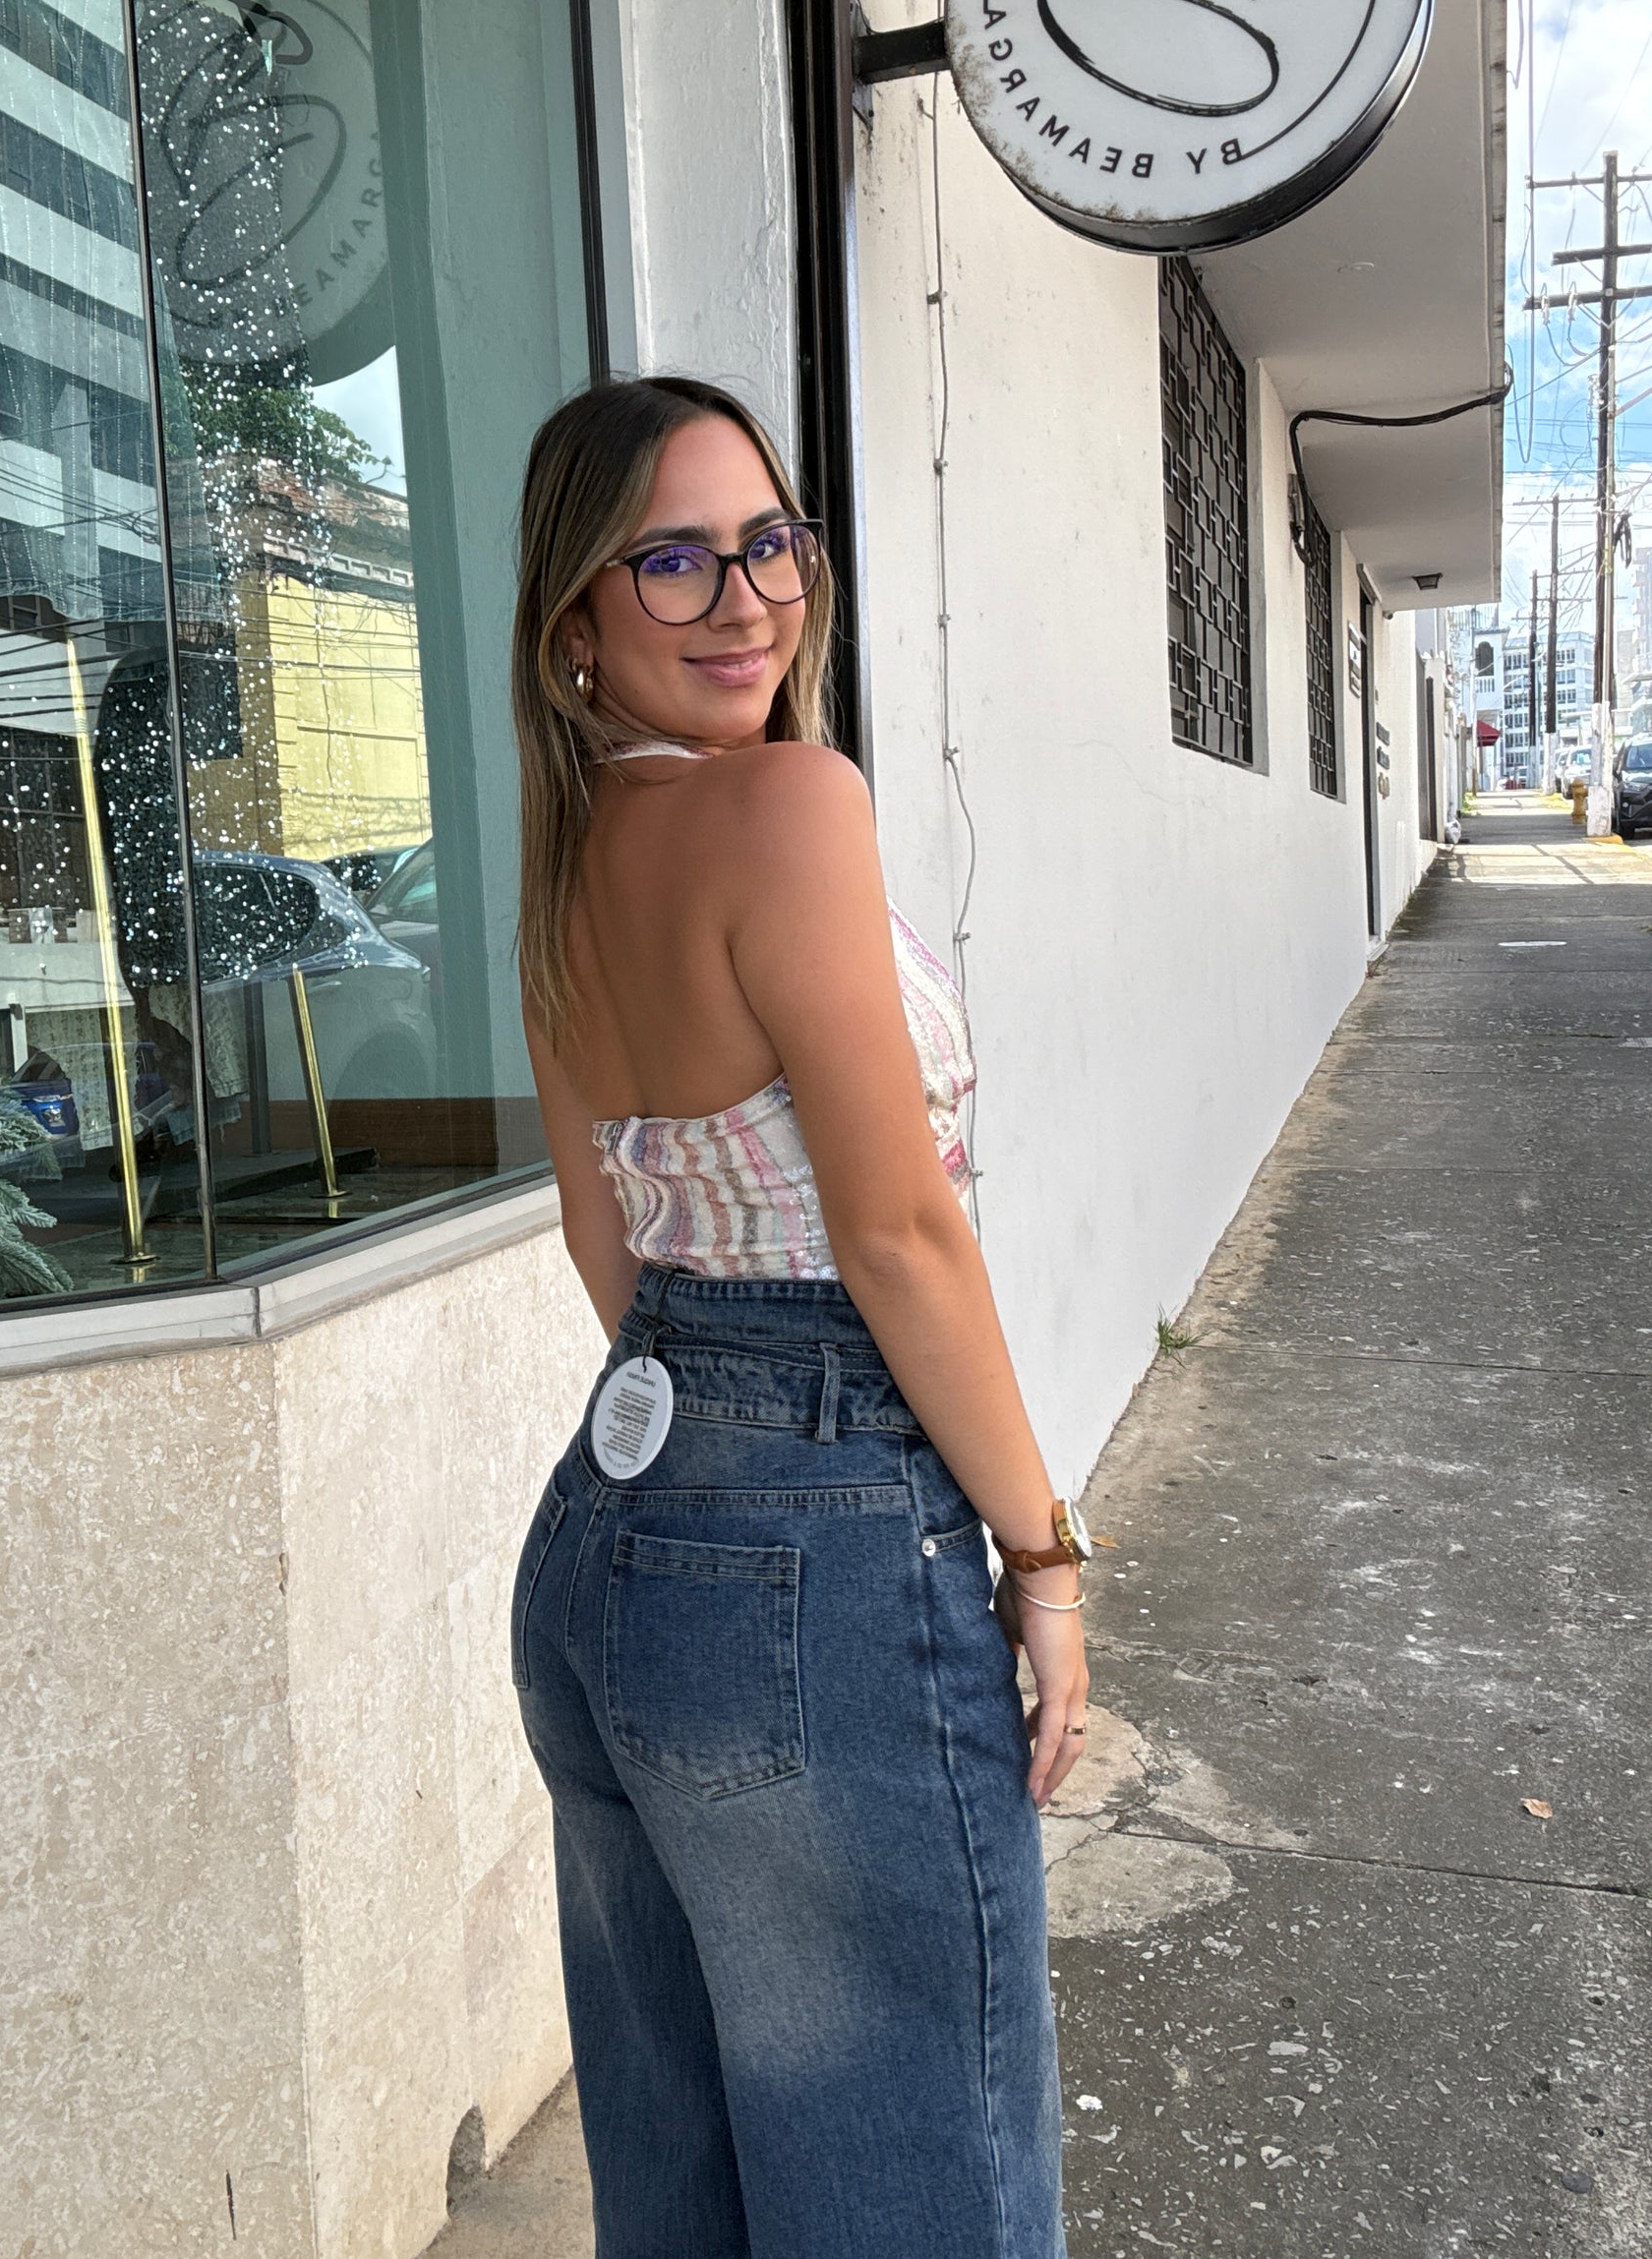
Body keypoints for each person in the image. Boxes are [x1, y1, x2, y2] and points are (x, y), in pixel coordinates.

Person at [509, 374, 1090, 2259]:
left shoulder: (565, 865)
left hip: (614, 1527)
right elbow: (899, 1235)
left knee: (680, 2170)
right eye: (670, 561)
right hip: (817, 1539)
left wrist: (706, 1449)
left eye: (767, 542)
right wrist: (1042, 1552)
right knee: (921, 2172)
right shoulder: (789, 803)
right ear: (576, 619)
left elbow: (604, 1235)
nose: (745, 596)